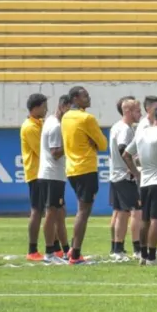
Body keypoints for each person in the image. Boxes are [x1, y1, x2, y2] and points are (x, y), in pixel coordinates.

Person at [122, 103, 157, 266]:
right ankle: (152, 257)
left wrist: (137, 173)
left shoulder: (142, 134)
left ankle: (143, 255)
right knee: (156, 220)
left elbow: (126, 154)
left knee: (145, 219)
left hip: (145, 182)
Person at [60, 86, 108, 265]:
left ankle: (72, 250)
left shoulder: (65, 117)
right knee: (83, 211)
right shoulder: (87, 118)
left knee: (82, 209)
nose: (88, 98)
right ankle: (75, 254)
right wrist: (93, 143)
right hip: (86, 168)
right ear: (75, 98)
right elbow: (103, 144)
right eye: (85, 96)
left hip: (71, 169)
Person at [38, 95, 72, 264]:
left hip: (54, 175)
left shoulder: (52, 121)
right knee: (51, 213)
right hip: (51, 175)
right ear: (63, 106)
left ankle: (66, 251)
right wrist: (71, 142)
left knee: (59, 213)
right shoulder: (56, 126)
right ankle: (49, 253)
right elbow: (55, 153)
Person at [108, 96, 142, 262]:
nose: (140, 114)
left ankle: (117, 249)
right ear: (127, 111)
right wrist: (134, 170)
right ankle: (137, 249)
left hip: (116, 175)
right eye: (137, 111)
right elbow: (123, 149)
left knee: (122, 212)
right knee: (136, 211)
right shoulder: (125, 129)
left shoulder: (116, 126)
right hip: (124, 176)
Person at [21, 93, 48, 262]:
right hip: (36, 174)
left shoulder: (39, 123)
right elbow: (42, 150)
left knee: (48, 210)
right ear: (36, 108)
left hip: (42, 173)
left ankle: (54, 247)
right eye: (44, 106)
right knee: (37, 210)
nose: (46, 110)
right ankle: (32, 250)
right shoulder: (30, 127)